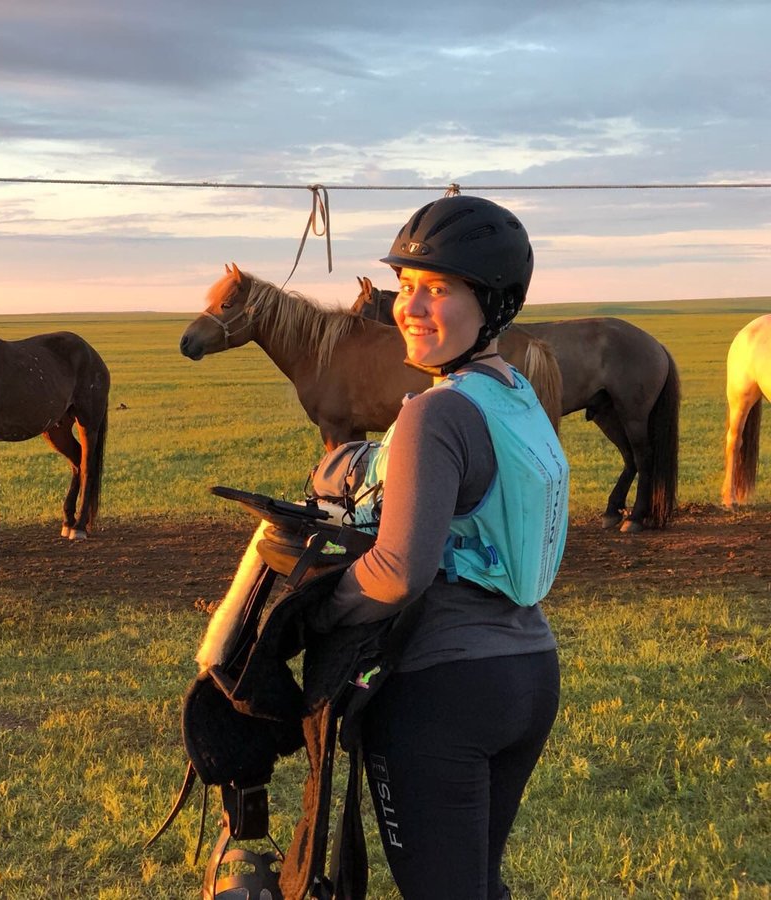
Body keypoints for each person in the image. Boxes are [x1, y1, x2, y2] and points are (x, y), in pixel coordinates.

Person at [311, 194, 569, 899]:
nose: (411, 307)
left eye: (438, 289)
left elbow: (397, 573)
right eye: (406, 287)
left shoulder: (436, 411)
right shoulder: (516, 394)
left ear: (491, 303)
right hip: (527, 675)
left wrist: (313, 612)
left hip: (440, 690)